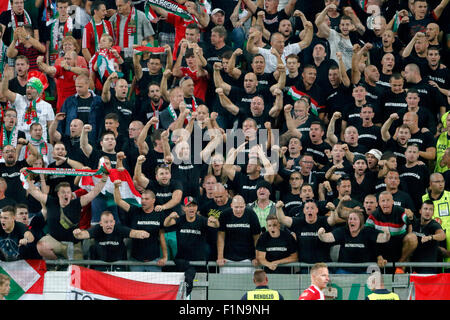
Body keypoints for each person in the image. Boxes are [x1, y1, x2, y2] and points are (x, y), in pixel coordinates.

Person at [25, 173, 108, 260]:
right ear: (58, 194)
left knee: (79, 271)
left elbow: (93, 193)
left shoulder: (77, 203)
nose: (66, 194)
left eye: (68, 192)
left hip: (73, 245)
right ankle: (59, 264)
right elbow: (34, 192)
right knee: (41, 246)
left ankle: (65, 264)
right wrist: (26, 177)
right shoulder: (50, 201)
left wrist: (103, 180)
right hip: (55, 241)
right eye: (63, 192)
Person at [164, 196, 219, 296]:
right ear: (184, 208)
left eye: (193, 206)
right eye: (188, 206)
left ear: (197, 208)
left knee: (200, 293)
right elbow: (166, 224)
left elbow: (216, 226)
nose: (191, 208)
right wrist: (170, 217)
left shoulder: (202, 220)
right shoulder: (179, 220)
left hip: (199, 263)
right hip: (182, 262)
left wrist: (215, 221)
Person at [73, 210, 149, 271]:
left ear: (114, 222)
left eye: (111, 221)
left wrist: (141, 233)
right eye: (106, 222)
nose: (109, 225)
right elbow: (85, 234)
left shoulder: (119, 228)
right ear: (101, 223)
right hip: (100, 266)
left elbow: (132, 232)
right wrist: (77, 234)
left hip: (118, 266)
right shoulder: (97, 229)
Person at [318, 210, 390, 274]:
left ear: (360, 222)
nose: (351, 221)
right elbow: (326, 238)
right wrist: (321, 234)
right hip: (344, 271)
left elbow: (383, 239)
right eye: (350, 219)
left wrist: (386, 233)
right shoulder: (342, 231)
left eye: (355, 219)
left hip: (364, 271)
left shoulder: (367, 231)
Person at [365, 191, 417, 274]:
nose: (385, 203)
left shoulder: (400, 211)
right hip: (382, 249)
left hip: (400, 248)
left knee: (412, 237)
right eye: (383, 201)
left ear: (393, 202)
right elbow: (368, 238)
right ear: (378, 203)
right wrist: (378, 256)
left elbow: (414, 224)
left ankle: (400, 265)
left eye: (388, 200)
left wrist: (411, 217)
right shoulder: (373, 216)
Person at [216, 195, 261, 274]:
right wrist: (220, 257)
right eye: (236, 207)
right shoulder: (224, 215)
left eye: (241, 207)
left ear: (245, 205)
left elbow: (257, 238)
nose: (239, 210)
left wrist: (257, 257)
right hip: (228, 259)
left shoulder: (251, 215)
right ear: (231, 206)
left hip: (248, 259)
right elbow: (220, 237)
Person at [411, 200, 446, 274]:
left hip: (428, 269)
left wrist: (430, 237)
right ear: (420, 211)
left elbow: (442, 235)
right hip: (413, 267)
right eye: (425, 209)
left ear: (433, 212)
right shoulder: (415, 223)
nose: (428, 212)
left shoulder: (434, 225)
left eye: (430, 209)